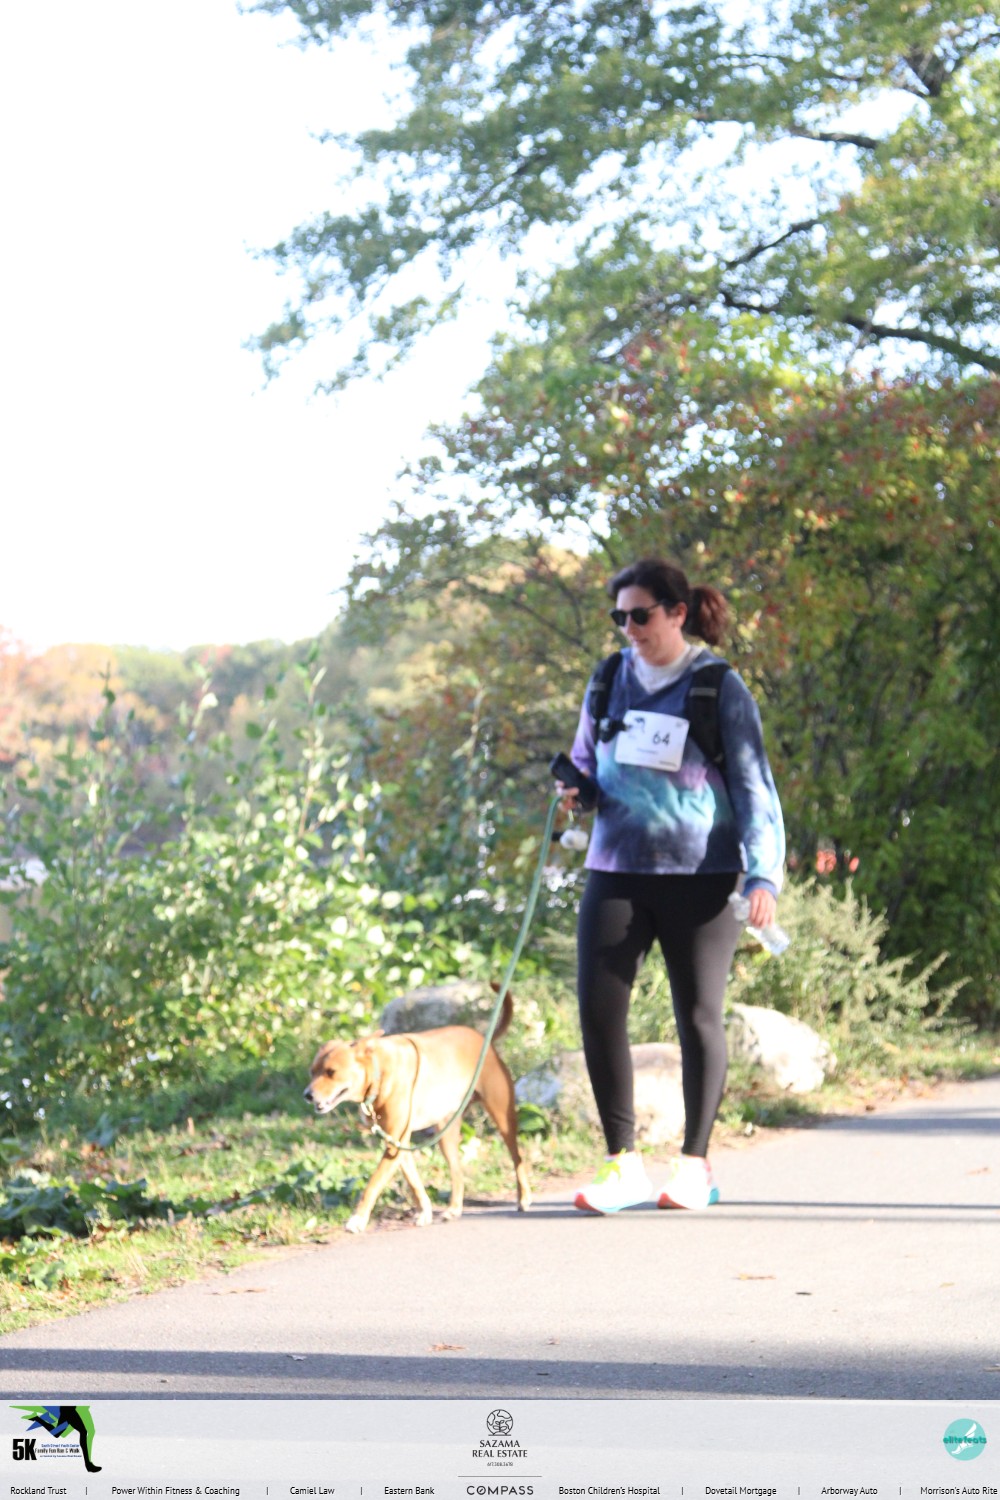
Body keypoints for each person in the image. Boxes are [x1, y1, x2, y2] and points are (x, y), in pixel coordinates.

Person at [559, 556, 785, 1213]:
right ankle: (622, 1165)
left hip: (702, 875)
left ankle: (693, 1166)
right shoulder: (608, 679)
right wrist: (573, 790)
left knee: (698, 1016)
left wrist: (764, 873)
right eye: (619, 616)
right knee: (599, 1011)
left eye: (641, 615)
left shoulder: (717, 687)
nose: (629, 628)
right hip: (615, 869)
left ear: (677, 613)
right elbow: (585, 761)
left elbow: (754, 786)